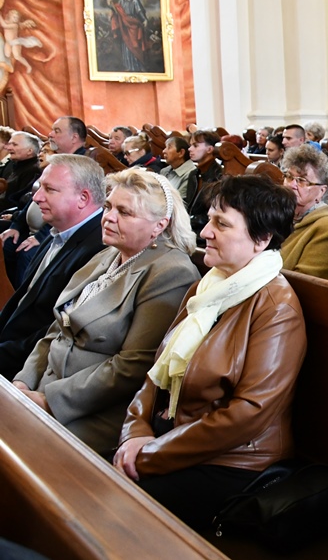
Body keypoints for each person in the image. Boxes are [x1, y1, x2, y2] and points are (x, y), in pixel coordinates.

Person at [114, 175, 306, 531]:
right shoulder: (206, 287)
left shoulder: (276, 307)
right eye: (209, 220)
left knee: (114, 508)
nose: (205, 232)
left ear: (262, 239)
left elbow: (249, 413)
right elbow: (157, 373)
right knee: (83, 477)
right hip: (173, 437)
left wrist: (151, 455)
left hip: (233, 461)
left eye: (222, 224)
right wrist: (135, 430)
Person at [12, 169, 199, 455]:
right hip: (45, 387)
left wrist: (49, 400)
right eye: (109, 206)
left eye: (124, 212)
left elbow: (133, 366)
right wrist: (23, 382)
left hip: (94, 411)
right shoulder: (109, 254)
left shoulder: (171, 272)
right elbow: (58, 329)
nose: (108, 217)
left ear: (159, 225)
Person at [0, 156, 106, 378]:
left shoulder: (99, 249)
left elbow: (57, 330)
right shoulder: (58, 230)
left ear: (83, 198)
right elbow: (24, 301)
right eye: (40, 187)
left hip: (31, 368)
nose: (36, 197)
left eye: (49, 189)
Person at [279, 146, 328, 284]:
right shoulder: (283, 214)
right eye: (289, 177)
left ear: (321, 191)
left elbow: (305, 286)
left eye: (302, 180)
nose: (291, 185)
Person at [106, 0, 148, 72]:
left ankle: (138, 66)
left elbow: (139, 12)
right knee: (126, 45)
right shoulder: (121, 1)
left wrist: (144, 19)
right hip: (124, 25)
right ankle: (128, 66)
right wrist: (111, 6)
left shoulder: (134, 1)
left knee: (135, 45)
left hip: (133, 24)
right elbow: (117, 11)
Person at [0, 132, 42, 210]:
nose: (9, 148)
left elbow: (18, 202)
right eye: (9, 144)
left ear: (29, 151)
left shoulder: (33, 170)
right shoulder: (11, 165)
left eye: (14, 145)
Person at [159, 136, 198, 208]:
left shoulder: (191, 174)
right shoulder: (164, 171)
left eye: (169, 147)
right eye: (165, 147)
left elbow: (178, 204)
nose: (164, 151)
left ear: (181, 153)